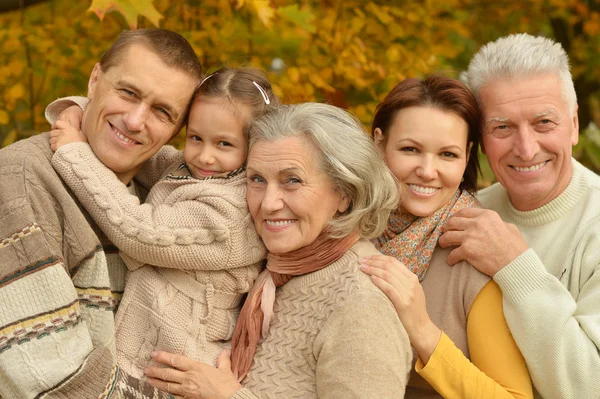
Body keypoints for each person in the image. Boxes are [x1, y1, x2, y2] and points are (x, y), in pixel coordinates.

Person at [141, 102, 413, 398]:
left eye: (291, 181)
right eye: (257, 179)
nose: (269, 203)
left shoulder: (361, 304)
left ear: (345, 194)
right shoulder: (273, 264)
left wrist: (228, 396)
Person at [0, 29, 201, 398]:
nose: (136, 120)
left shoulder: (165, 202)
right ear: (95, 80)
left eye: (162, 111)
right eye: (128, 93)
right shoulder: (20, 181)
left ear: (177, 129)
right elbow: (59, 381)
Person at [43, 68, 275, 378]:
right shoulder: (189, 169)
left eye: (224, 144)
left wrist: (74, 152)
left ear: (255, 145)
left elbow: (138, 230)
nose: (205, 156)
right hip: (143, 350)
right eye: (195, 137)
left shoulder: (233, 214)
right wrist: (80, 109)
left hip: (181, 364)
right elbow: (134, 146)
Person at [438, 33, 600, 399]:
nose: (526, 149)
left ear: (573, 125)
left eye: (544, 122)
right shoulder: (465, 214)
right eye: (503, 127)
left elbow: (591, 385)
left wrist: (515, 266)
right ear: (480, 137)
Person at [361, 75, 532, 398]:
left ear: (467, 155)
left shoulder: (473, 255)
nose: (427, 170)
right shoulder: (345, 228)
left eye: (447, 155)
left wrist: (424, 332)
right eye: (410, 149)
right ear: (379, 143)